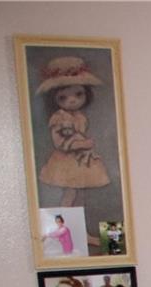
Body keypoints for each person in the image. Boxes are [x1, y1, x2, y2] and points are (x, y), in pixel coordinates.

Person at [35, 56, 110, 208]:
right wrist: (83, 144)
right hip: (67, 162)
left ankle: (78, 222)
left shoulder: (79, 116)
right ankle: (65, 221)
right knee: (70, 193)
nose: (72, 100)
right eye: (63, 97)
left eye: (78, 94)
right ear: (54, 99)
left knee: (80, 194)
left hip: (81, 160)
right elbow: (60, 142)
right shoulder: (60, 118)